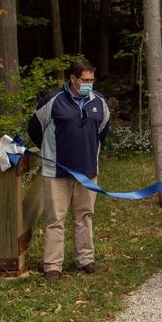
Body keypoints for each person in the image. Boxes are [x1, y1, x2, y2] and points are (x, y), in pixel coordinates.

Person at [28, 59, 110, 283]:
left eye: (92, 80)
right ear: (73, 79)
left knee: (84, 216)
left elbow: (102, 131)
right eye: (85, 80)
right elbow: (35, 129)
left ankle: (85, 259)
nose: (89, 84)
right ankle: (53, 266)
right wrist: (53, 152)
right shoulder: (53, 101)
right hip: (57, 172)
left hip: (87, 171)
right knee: (56, 219)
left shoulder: (99, 102)